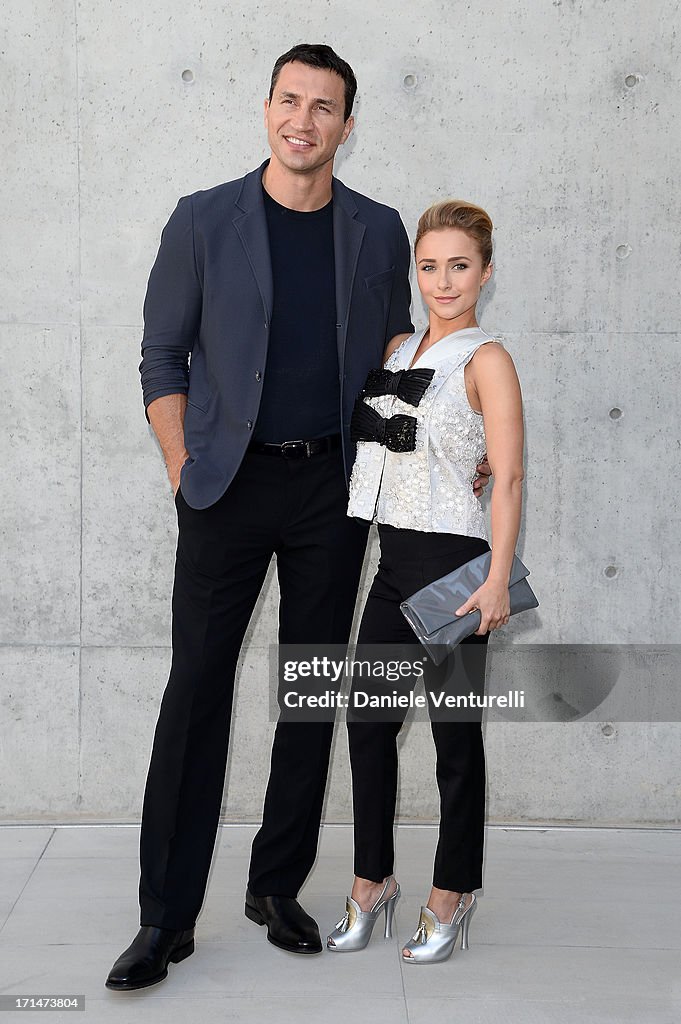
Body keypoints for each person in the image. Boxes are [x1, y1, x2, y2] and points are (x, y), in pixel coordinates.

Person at [105, 45, 491, 991]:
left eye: (325, 108)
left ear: (346, 127)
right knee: (196, 689)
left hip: (335, 492)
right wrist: (180, 464)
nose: (304, 120)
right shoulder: (203, 220)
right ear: (266, 108)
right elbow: (162, 356)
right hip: (225, 487)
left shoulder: (375, 228)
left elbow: (401, 358)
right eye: (291, 100)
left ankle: (275, 887)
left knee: (308, 691)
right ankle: (165, 916)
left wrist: (462, 437)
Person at [326, 199, 524, 963]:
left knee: (453, 742)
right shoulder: (401, 347)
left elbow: (505, 479)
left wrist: (497, 579)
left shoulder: (488, 358)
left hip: (454, 571)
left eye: (460, 266)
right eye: (430, 266)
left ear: (485, 272)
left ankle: (452, 890)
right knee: (367, 724)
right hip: (391, 561)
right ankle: (371, 879)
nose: (444, 281)